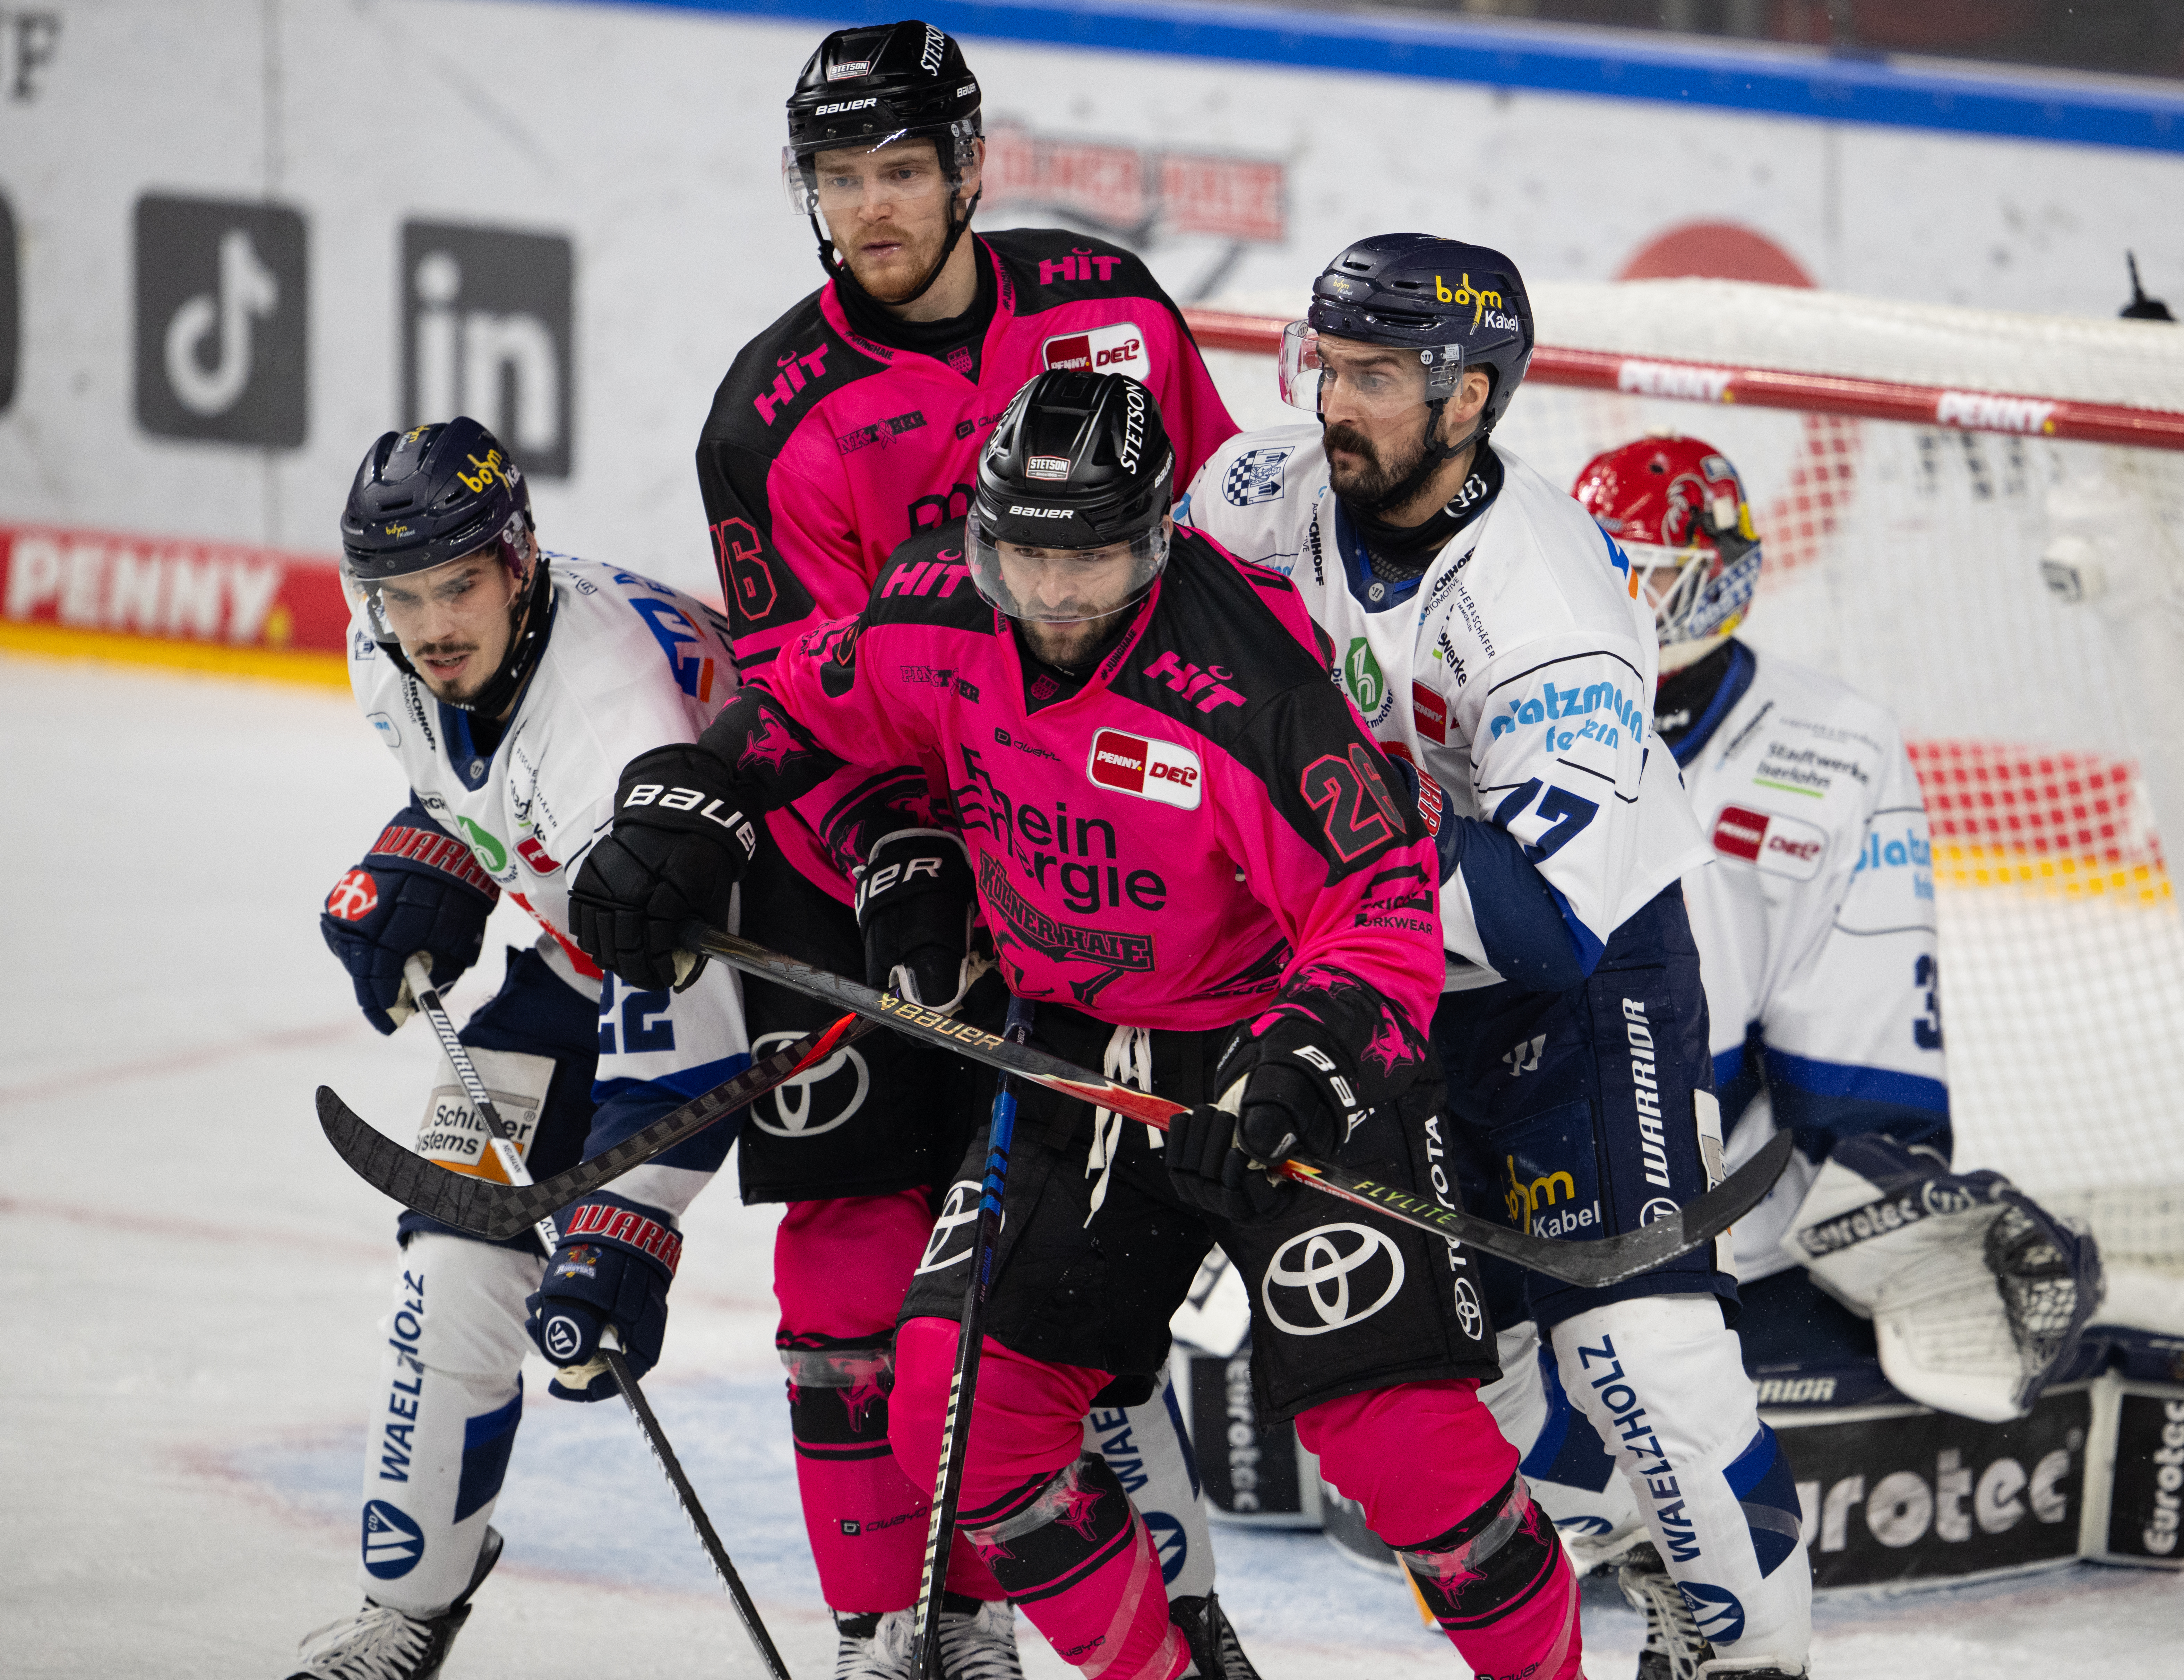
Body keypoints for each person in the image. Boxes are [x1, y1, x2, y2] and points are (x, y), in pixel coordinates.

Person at [571, 368, 1588, 1680]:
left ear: (1157, 535)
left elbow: (1383, 896)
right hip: (1081, 1061)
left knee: (1406, 1451)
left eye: (1095, 557)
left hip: (1280, 1057)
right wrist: (685, 794)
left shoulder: (1252, 681)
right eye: (1026, 556)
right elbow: (802, 710)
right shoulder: (941, 603)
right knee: (961, 1402)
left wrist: (1298, 1071)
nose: (1053, 597)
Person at [686, 20, 1251, 1671]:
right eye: (839, 178)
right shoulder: (766, 419)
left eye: (902, 170)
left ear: (971, 167)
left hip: (1099, 838)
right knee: (858, 1262)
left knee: (1065, 1292)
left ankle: (1178, 1613)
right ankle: (899, 1629)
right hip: (875, 851)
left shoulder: (1114, 309)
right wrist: (897, 858)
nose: (870, 208)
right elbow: (800, 696)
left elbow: (1223, 564)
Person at [1185, 241, 1813, 1678]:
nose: (1335, 403)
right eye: (1328, 365)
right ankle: (1605, 1502)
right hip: (1377, 977)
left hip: (1573, 991)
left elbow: (1539, 922)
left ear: (1472, 401)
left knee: (1641, 1353)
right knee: (1450, 1396)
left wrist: (1322, 847)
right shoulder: (1264, 495)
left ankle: (1750, 1655)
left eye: (1380, 378)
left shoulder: (1546, 617)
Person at [1557, 435, 2101, 1674]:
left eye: (1649, 576)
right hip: (1512, 1147)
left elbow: (1857, 1026)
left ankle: (1684, 1556)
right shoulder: (1508, 695)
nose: (1631, 605)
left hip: (1712, 1205)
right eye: (1610, 573)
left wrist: (1891, 1186)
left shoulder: (1833, 744)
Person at [291, 418, 752, 1679]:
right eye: (402, 594)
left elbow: (690, 995)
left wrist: (628, 1217)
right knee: (452, 1246)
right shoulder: (387, 654)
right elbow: (474, 785)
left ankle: (909, 1627)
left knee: (865, 1311)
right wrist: (434, 847)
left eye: (459, 588)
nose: (431, 625)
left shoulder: (613, 718)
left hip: (761, 966)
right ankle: (409, 1605)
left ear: (521, 563)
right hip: (590, 951)